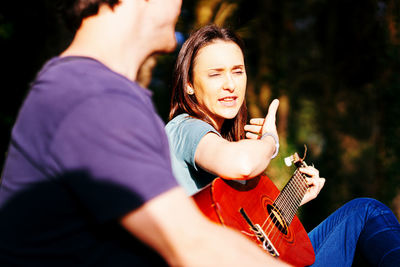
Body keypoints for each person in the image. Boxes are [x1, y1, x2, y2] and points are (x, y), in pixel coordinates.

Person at [0, 2, 291, 266]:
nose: (180, 6)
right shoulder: (88, 96)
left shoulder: (93, 91)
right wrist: (270, 142)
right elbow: (192, 243)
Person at [165, 24, 400, 266]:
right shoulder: (186, 126)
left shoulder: (224, 141)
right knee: (366, 212)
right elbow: (243, 164)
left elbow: (252, 235)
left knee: (361, 214)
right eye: (215, 74)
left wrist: (293, 200)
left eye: (237, 71)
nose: (230, 85)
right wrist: (271, 141)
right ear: (188, 85)